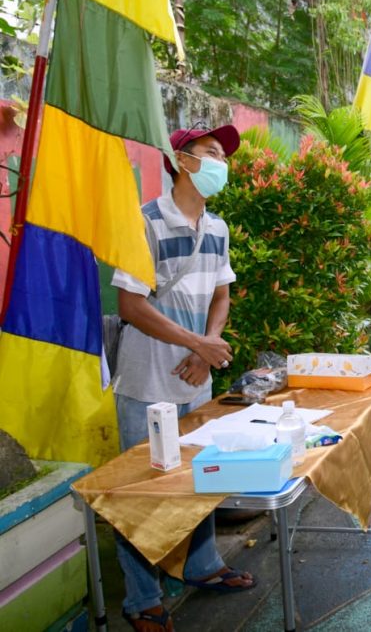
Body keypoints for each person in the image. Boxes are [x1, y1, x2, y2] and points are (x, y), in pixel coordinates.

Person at [112, 124, 253, 631]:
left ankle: (202, 565)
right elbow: (130, 305)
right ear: (182, 160)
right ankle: (141, 598)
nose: (221, 163)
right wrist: (197, 344)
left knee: (201, 476)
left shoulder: (217, 228)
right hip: (147, 380)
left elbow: (221, 294)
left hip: (196, 376)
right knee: (143, 489)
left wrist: (207, 348)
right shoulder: (144, 221)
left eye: (223, 155)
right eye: (211, 152)